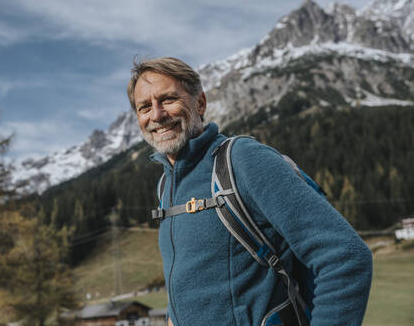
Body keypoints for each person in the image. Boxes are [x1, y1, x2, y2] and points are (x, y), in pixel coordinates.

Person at [126, 57, 372, 326]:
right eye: (145, 107)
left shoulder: (242, 160)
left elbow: (344, 256)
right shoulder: (166, 185)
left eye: (169, 99)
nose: (157, 115)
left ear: (200, 103)